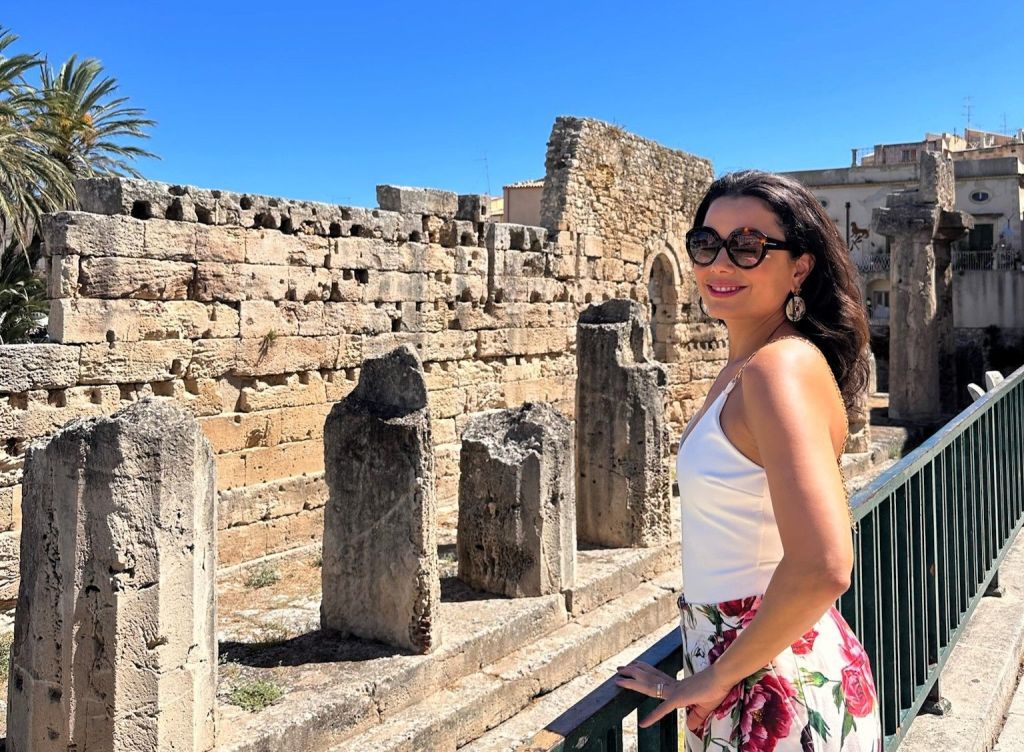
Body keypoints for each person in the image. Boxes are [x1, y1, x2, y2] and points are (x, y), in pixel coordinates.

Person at [614, 170, 882, 751]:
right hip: (766, 664)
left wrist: (713, 675)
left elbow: (824, 564)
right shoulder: (755, 366)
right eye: (706, 244)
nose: (720, 263)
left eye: (748, 246)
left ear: (800, 267)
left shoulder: (774, 370)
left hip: (772, 682)